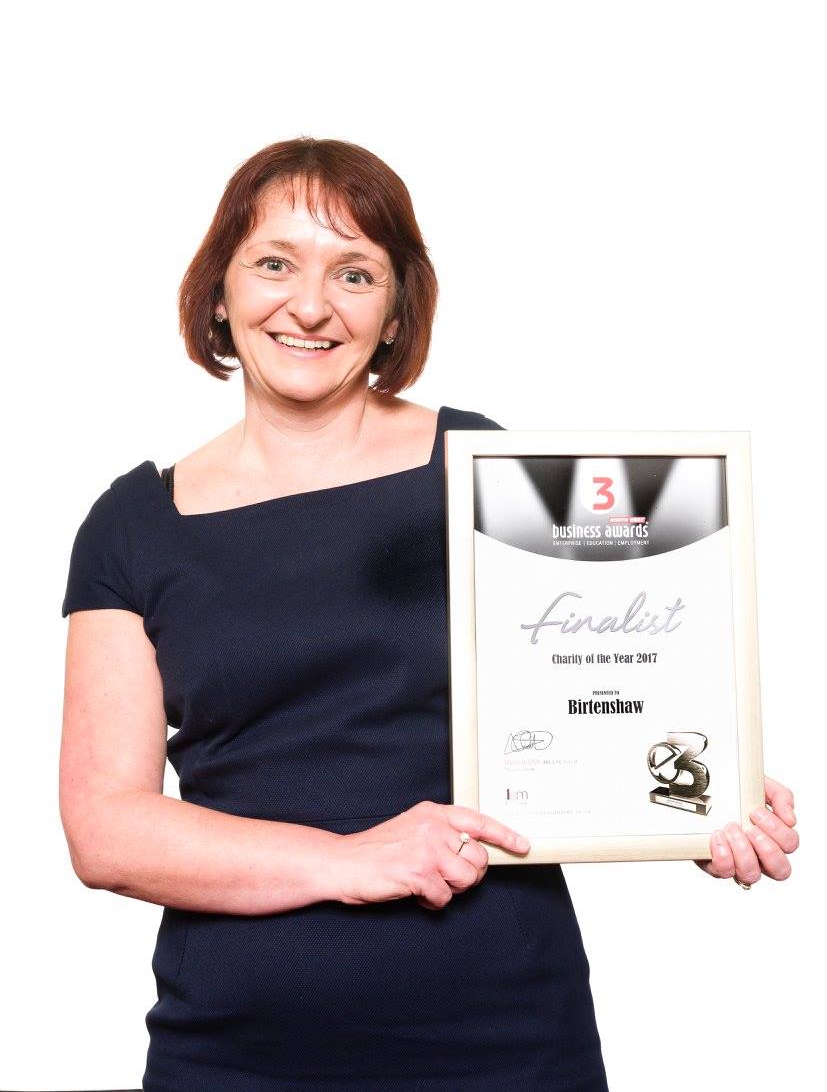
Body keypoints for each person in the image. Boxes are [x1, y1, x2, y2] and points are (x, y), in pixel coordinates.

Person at [59, 138, 798, 1091]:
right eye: (274, 263)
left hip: (502, 1033)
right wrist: (351, 861)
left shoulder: (480, 467)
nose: (310, 306)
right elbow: (106, 830)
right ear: (218, 292)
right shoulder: (134, 524)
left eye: (354, 273)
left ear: (397, 309)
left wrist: (691, 793)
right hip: (231, 1050)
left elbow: (607, 677)